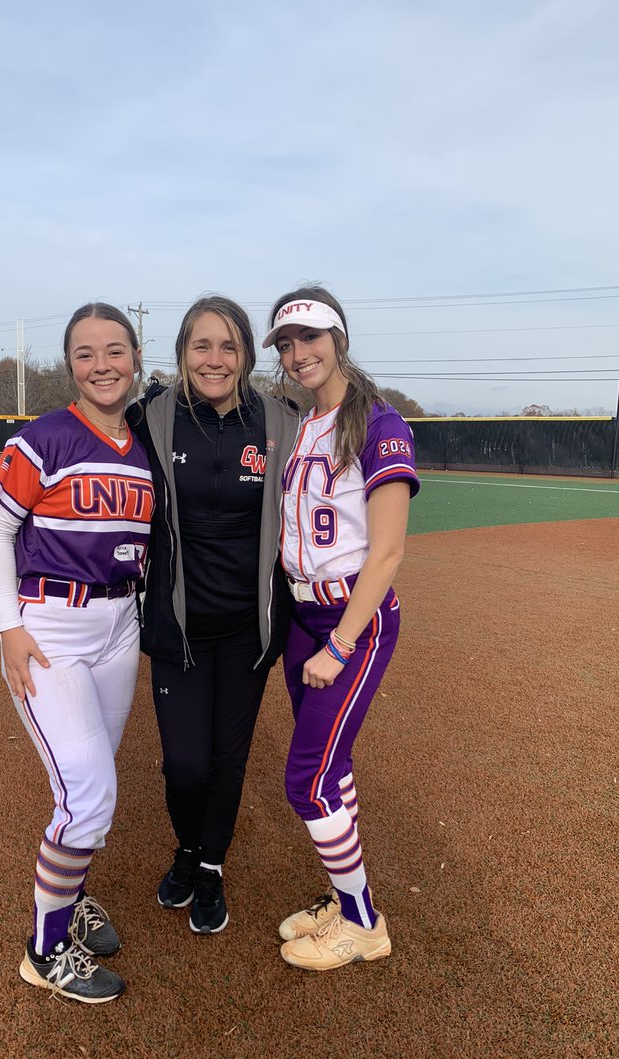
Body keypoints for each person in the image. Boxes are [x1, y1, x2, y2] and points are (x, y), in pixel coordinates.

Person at [0, 302, 154, 1003]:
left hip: (119, 624)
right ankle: (44, 951)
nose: (102, 364)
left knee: (83, 784)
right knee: (89, 795)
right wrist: (7, 627)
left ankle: (69, 893)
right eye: (85, 353)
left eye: (115, 350)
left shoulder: (141, 443)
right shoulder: (42, 439)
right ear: (69, 365)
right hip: (49, 626)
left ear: (136, 359)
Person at [127, 296, 300, 934]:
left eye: (229, 346)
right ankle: (186, 845)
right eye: (202, 346)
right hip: (179, 628)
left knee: (229, 758)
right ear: (182, 353)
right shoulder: (151, 418)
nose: (216, 359)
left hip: (249, 631)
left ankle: (210, 865)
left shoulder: (282, 420)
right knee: (184, 764)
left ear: (248, 356)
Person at [263, 286, 420, 971]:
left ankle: (362, 924)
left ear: (339, 336)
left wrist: (340, 642)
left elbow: (386, 552)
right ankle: (343, 895)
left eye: (310, 338)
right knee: (334, 765)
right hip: (305, 612)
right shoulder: (303, 427)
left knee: (309, 780)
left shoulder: (380, 424)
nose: (299, 355)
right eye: (287, 345)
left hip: (352, 618)